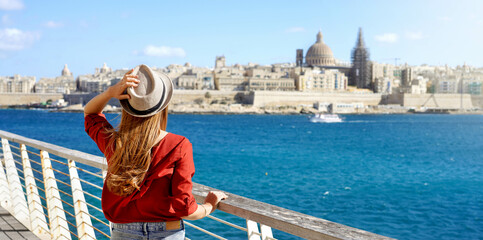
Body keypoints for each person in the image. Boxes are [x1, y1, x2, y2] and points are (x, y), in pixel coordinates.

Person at [84, 64, 227, 239]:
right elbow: (185, 208)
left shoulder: (114, 142)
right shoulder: (179, 145)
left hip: (122, 232)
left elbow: (90, 113)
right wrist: (209, 206)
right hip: (167, 232)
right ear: (163, 106)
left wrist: (109, 93)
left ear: (126, 105)